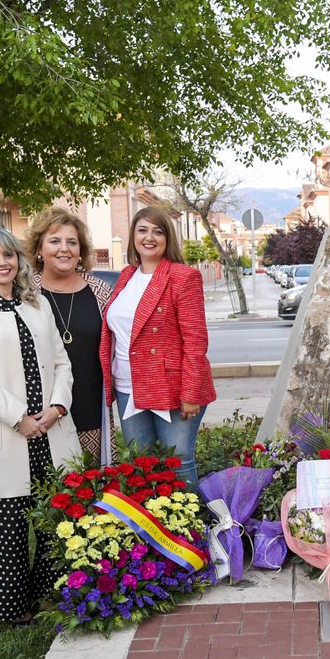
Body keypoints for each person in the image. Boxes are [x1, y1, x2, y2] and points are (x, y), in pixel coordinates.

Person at [0, 226, 78, 624]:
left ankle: (47, 596)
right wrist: (18, 418)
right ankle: (11, 611)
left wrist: (57, 407)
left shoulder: (36, 302)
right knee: (7, 525)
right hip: (7, 431)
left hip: (51, 429)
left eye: (8, 255)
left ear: (19, 259)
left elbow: (61, 362)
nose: (2, 263)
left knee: (57, 520)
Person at [98, 205, 215, 492]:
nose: (149, 238)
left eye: (157, 231)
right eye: (142, 230)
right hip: (127, 386)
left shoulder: (183, 277)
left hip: (171, 387)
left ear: (167, 238)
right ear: (133, 236)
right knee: (142, 465)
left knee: (179, 462)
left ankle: (188, 521)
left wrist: (190, 393)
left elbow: (195, 341)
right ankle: (150, 520)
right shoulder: (126, 276)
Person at [26, 208, 115, 461]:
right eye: (55, 241)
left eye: (72, 242)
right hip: (40, 412)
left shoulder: (100, 291)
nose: (64, 249)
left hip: (90, 407)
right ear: (39, 249)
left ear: (80, 251)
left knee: (91, 480)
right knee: (47, 482)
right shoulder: (24, 293)